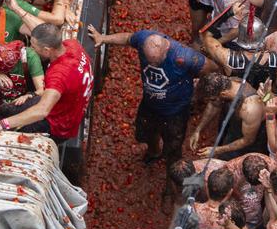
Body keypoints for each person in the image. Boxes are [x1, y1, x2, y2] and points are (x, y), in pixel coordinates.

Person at [88, 25, 212, 163]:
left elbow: (213, 70)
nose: (154, 65)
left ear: (166, 49)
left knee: (173, 148)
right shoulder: (143, 38)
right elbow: (128, 38)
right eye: (149, 61)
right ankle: (154, 152)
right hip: (150, 103)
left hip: (176, 111)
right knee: (145, 134)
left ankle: (172, 174)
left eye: (157, 62)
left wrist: (199, 89)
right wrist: (103, 38)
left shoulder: (187, 58)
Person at [0, 24, 93, 141]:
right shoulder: (72, 44)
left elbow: (42, 111)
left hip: (58, 124)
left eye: (34, 46)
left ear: (47, 50)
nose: (31, 48)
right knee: (6, 110)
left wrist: (1, 124)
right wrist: (32, 94)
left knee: (13, 139)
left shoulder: (58, 75)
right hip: (68, 101)